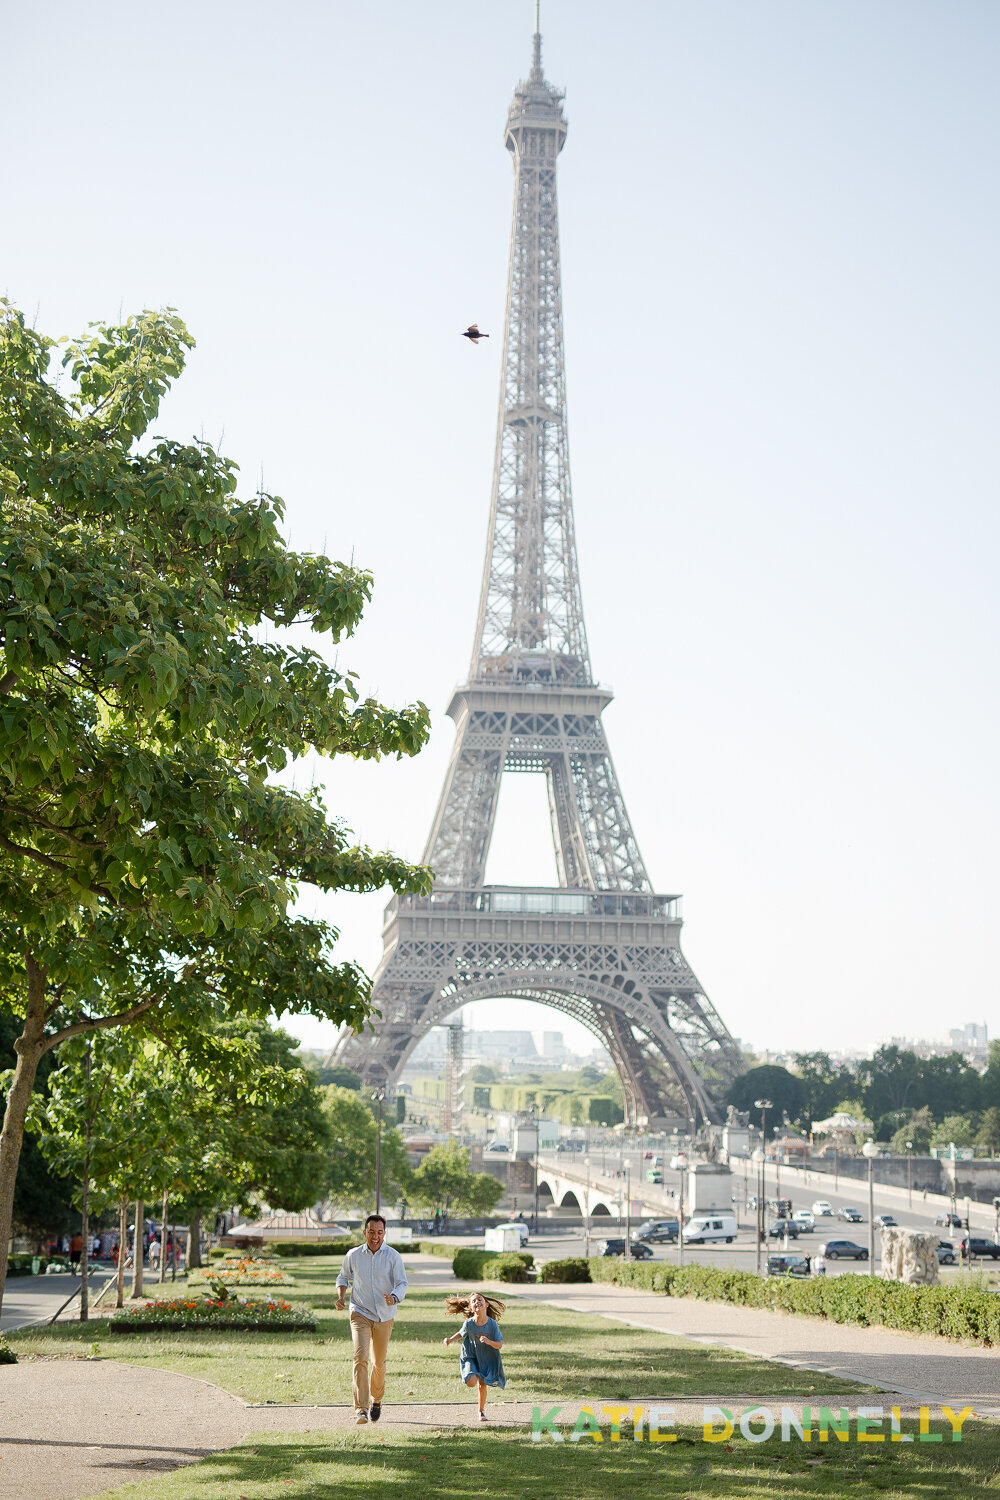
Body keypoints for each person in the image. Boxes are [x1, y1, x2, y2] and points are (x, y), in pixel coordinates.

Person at [335, 1214, 407, 1425]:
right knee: (360, 1356)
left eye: (379, 1232)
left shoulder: (393, 1256)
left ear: (384, 1233)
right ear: (364, 1232)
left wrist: (394, 1297)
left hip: (385, 1315)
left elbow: (402, 1283)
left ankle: (377, 1400)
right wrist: (341, 1297)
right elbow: (343, 1276)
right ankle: (360, 1409)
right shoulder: (354, 1254)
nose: (375, 1236)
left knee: (379, 1363)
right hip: (360, 1312)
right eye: (371, 1232)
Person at [442, 1291, 505, 1422]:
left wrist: (489, 1342)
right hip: (470, 1355)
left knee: (482, 1385)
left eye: (480, 1299)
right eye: (474, 1301)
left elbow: (499, 1345)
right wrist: (450, 1340)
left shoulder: (492, 1324)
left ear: (486, 1304)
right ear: (470, 1308)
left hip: (487, 1357)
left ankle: (481, 1411)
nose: (477, 1302)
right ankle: (474, 1371)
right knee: (470, 1382)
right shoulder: (469, 1324)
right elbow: (461, 1333)